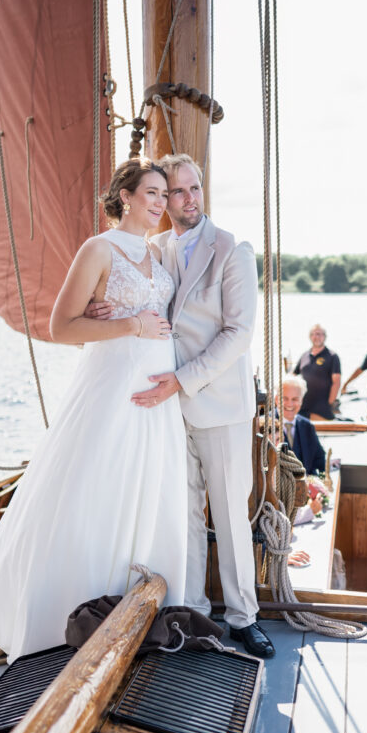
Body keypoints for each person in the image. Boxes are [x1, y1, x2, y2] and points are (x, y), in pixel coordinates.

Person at [0, 158, 188, 663]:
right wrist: (130, 325)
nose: (160, 203)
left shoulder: (156, 253)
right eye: (151, 192)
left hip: (157, 399)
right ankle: (63, 612)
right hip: (111, 391)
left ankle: (132, 603)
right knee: (92, 488)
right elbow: (62, 327)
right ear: (125, 196)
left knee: (145, 490)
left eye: (164, 195)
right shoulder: (98, 249)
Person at [96, 153, 274, 658]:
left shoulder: (233, 250)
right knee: (185, 515)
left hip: (219, 405)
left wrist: (182, 380)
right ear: (163, 199)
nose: (190, 198)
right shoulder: (154, 249)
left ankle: (243, 617)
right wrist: (102, 310)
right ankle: (194, 612)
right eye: (178, 191)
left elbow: (238, 333)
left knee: (230, 515)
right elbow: (133, 295)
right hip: (167, 410)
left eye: (195, 188)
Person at [279, 375, 326, 476]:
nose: (290, 404)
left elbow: (319, 460)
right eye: (285, 398)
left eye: (295, 399)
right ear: (276, 399)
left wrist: (317, 481)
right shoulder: (265, 426)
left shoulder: (307, 426)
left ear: (301, 401)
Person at [293, 324, 341, 419]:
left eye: (319, 334)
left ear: (324, 337)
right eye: (313, 334)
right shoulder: (304, 356)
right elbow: (293, 376)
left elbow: (336, 382)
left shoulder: (332, 356)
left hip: (322, 407)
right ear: (310, 337)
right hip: (303, 406)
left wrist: (330, 403)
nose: (316, 337)